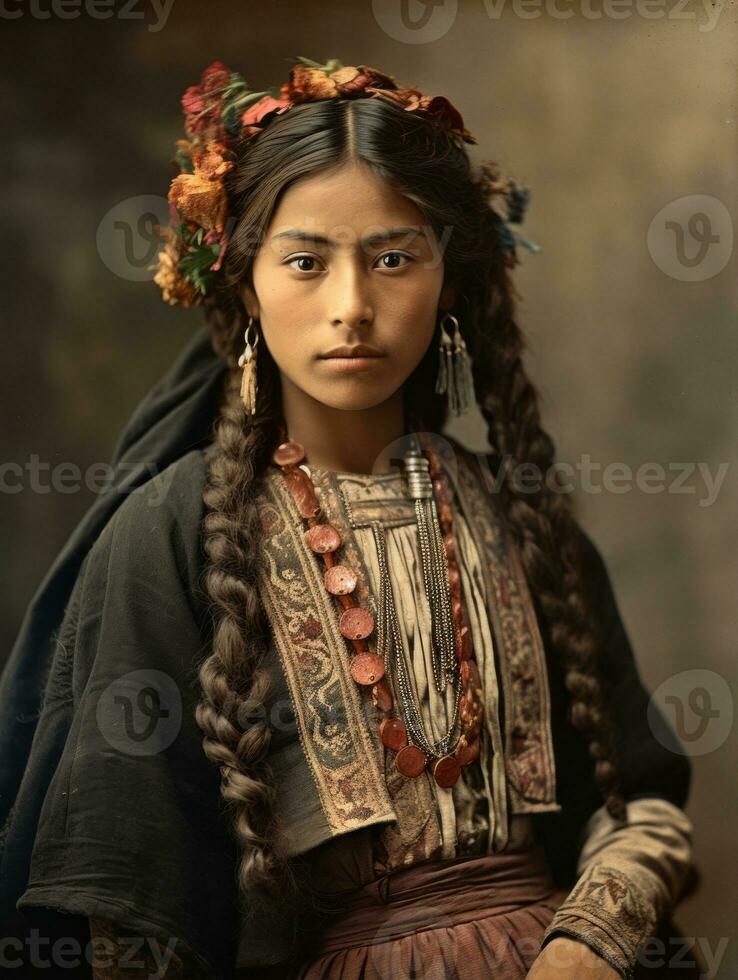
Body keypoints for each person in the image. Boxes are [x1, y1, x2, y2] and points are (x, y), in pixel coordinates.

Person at [0, 58, 701, 979]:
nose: (351, 308)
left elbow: (641, 798)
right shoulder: (168, 536)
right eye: (304, 261)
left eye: (393, 257)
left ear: (448, 281)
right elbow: (132, 899)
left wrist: (587, 943)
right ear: (245, 285)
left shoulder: (520, 517)